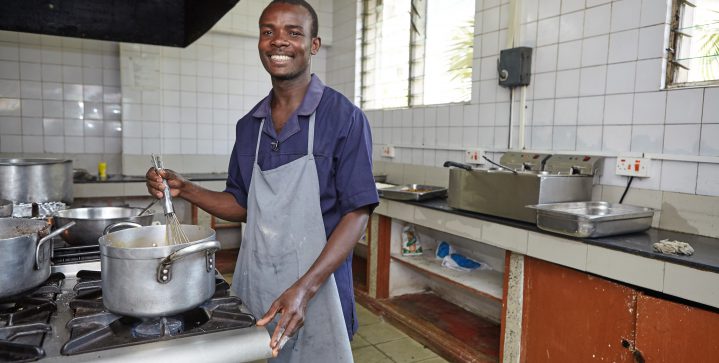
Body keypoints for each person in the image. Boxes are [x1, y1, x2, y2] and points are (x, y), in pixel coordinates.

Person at [145, 0, 378, 361]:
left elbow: (357, 213)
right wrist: (185, 189)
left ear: (313, 45)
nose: (278, 41)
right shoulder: (249, 126)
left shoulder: (344, 117)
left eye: (293, 32)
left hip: (319, 289)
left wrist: (304, 289)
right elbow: (241, 204)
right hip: (258, 287)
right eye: (268, 32)